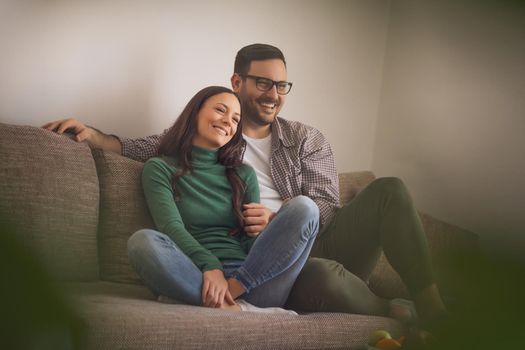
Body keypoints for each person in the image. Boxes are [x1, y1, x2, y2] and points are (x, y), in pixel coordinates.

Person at [43, 44, 447, 333]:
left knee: (381, 191)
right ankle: (245, 298)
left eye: (282, 86)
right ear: (237, 81)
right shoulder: (199, 145)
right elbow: (141, 149)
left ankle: (432, 309)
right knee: (318, 277)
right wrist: (93, 135)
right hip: (274, 269)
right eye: (263, 83)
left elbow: (326, 204)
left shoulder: (306, 139)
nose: (274, 94)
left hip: (313, 240)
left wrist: (277, 220)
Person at [126, 85, 318, 313]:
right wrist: (211, 266)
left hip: (252, 280)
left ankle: (227, 298)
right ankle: (237, 310)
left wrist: (269, 229)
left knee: (305, 207)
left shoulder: (243, 174)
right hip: (196, 273)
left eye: (236, 119)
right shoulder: (160, 168)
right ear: (195, 112)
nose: (229, 121)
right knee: (142, 242)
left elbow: (249, 242)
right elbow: (171, 227)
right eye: (220, 110)